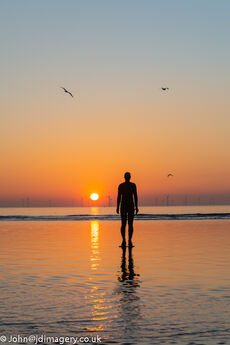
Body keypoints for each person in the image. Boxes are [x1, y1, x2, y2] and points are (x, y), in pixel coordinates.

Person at [116, 172, 139, 247]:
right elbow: (119, 197)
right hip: (125, 206)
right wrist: (117, 207)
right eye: (127, 176)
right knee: (125, 224)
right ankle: (124, 240)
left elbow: (135, 196)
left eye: (128, 176)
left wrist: (136, 206)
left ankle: (128, 241)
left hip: (129, 206)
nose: (127, 178)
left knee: (129, 224)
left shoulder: (132, 185)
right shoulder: (122, 186)